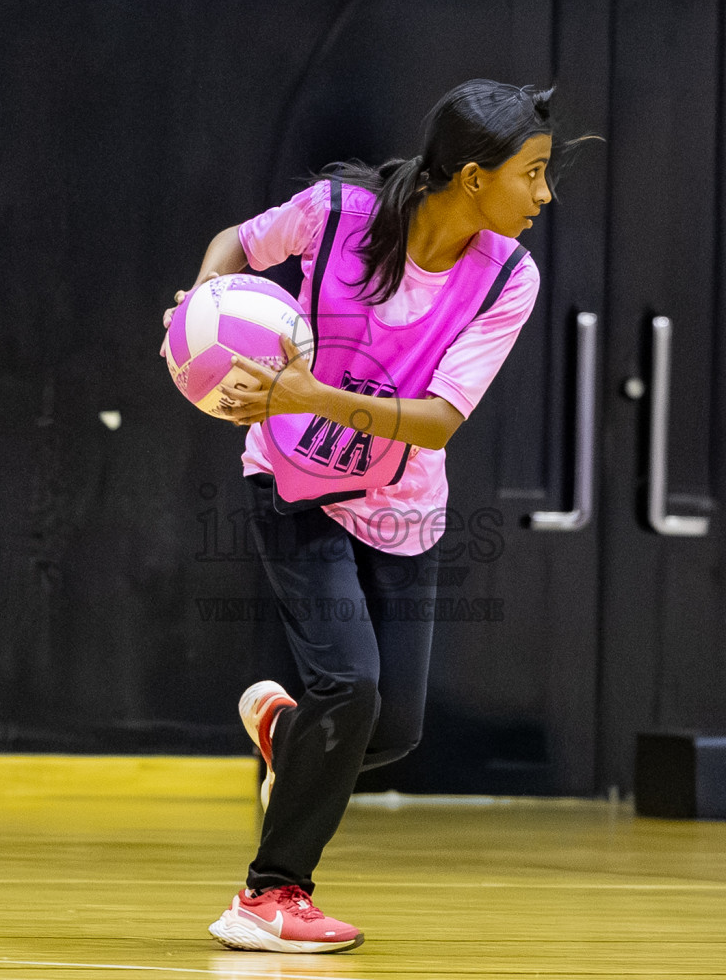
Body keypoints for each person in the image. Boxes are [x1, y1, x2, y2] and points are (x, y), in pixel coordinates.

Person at [164, 80, 577, 952]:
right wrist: (201, 309)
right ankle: (269, 896)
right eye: (533, 174)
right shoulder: (336, 210)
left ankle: (284, 732)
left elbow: (439, 420)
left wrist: (313, 391)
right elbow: (234, 246)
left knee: (390, 729)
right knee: (349, 686)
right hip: (289, 479)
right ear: (472, 177)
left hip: (403, 504)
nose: (545, 196)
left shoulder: (508, 275)